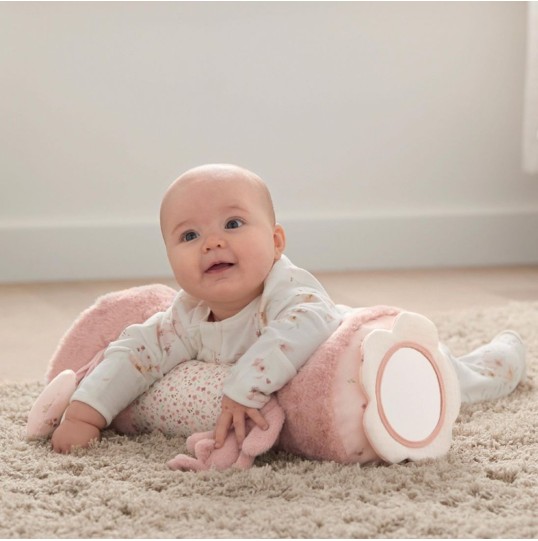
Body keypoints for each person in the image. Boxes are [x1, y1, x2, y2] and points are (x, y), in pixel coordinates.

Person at [48, 164, 527, 453]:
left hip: (367, 352)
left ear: (275, 242)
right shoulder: (186, 315)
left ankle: (497, 363)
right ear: (169, 256)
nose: (212, 241)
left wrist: (244, 386)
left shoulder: (290, 289)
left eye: (233, 223)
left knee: (451, 378)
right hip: (328, 395)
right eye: (189, 235)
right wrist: (87, 411)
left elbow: (308, 324)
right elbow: (135, 352)